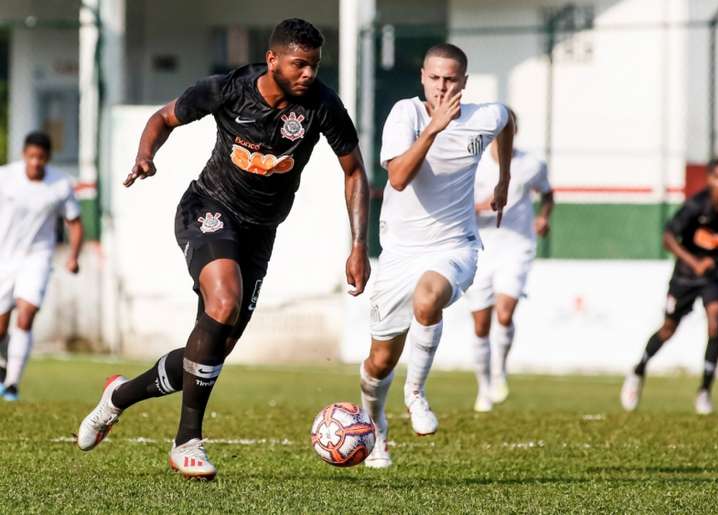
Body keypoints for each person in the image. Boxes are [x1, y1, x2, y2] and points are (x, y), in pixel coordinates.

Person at [76, 18, 370, 480]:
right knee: (224, 301)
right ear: (272, 60)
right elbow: (163, 117)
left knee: (212, 350)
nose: (308, 74)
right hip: (208, 208)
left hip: (259, 233)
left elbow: (354, 170)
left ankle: (118, 397)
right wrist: (145, 154)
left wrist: (357, 246)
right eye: (299, 64)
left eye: (314, 65)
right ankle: (186, 442)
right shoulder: (229, 90)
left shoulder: (322, 106)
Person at [359, 43, 514, 469]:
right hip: (399, 252)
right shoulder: (405, 114)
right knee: (379, 362)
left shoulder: (484, 116)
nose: (442, 87)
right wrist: (433, 129)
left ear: (464, 82)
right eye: (435, 78)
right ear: (423, 78)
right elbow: (398, 177)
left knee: (428, 299)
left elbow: (507, 120)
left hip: (454, 245)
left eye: (451, 80)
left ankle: (415, 393)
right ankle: (377, 432)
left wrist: (503, 178)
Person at [620, 157, 718, 415]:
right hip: (685, 275)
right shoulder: (696, 205)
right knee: (668, 328)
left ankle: (704, 391)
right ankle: (638, 370)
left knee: (715, 322)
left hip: (716, 274)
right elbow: (668, 238)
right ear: (709, 180)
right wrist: (694, 263)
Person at [465, 112, 553, 412]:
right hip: (481, 248)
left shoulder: (531, 164)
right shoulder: (473, 164)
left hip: (517, 247)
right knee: (480, 324)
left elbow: (548, 193)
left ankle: (499, 368)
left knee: (505, 313)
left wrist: (543, 217)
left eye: (510, 129)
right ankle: (483, 386)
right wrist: (480, 207)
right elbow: (458, 202)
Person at [0, 131, 83, 401]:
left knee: (26, 315)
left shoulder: (60, 184)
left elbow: (74, 222)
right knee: (1, 327)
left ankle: (12, 384)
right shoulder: (6, 177)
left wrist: (73, 255)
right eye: (32, 156)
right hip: (4, 257)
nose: (36, 162)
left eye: (41, 157)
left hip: (37, 257)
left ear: (48, 158)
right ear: (24, 155)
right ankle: (4, 365)